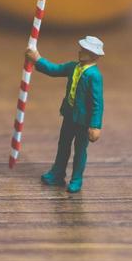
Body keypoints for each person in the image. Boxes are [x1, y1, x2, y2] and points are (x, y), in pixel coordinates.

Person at [26, 36, 104, 193]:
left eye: (86, 51)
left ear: (95, 55)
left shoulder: (94, 76)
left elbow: (98, 103)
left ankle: (76, 179)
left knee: (80, 150)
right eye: (82, 49)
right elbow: (55, 70)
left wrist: (95, 126)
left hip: (83, 121)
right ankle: (57, 173)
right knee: (63, 146)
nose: (81, 52)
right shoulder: (73, 67)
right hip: (69, 115)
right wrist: (38, 59)